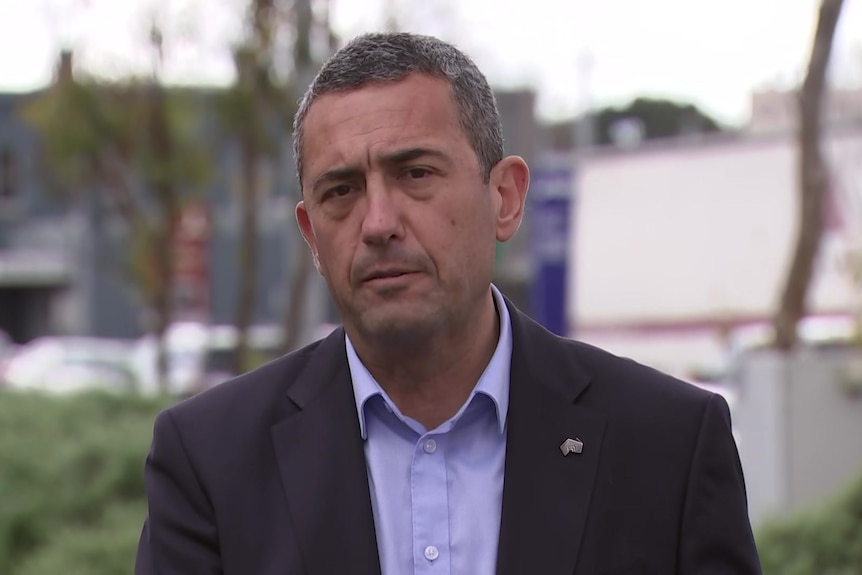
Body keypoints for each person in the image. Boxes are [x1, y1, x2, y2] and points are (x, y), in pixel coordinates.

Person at [135, 32, 761, 575]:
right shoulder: (211, 461)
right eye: (341, 191)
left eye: (416, 174)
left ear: (506, 198)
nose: (377, 222)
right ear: (312, 237)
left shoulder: (666, 444)